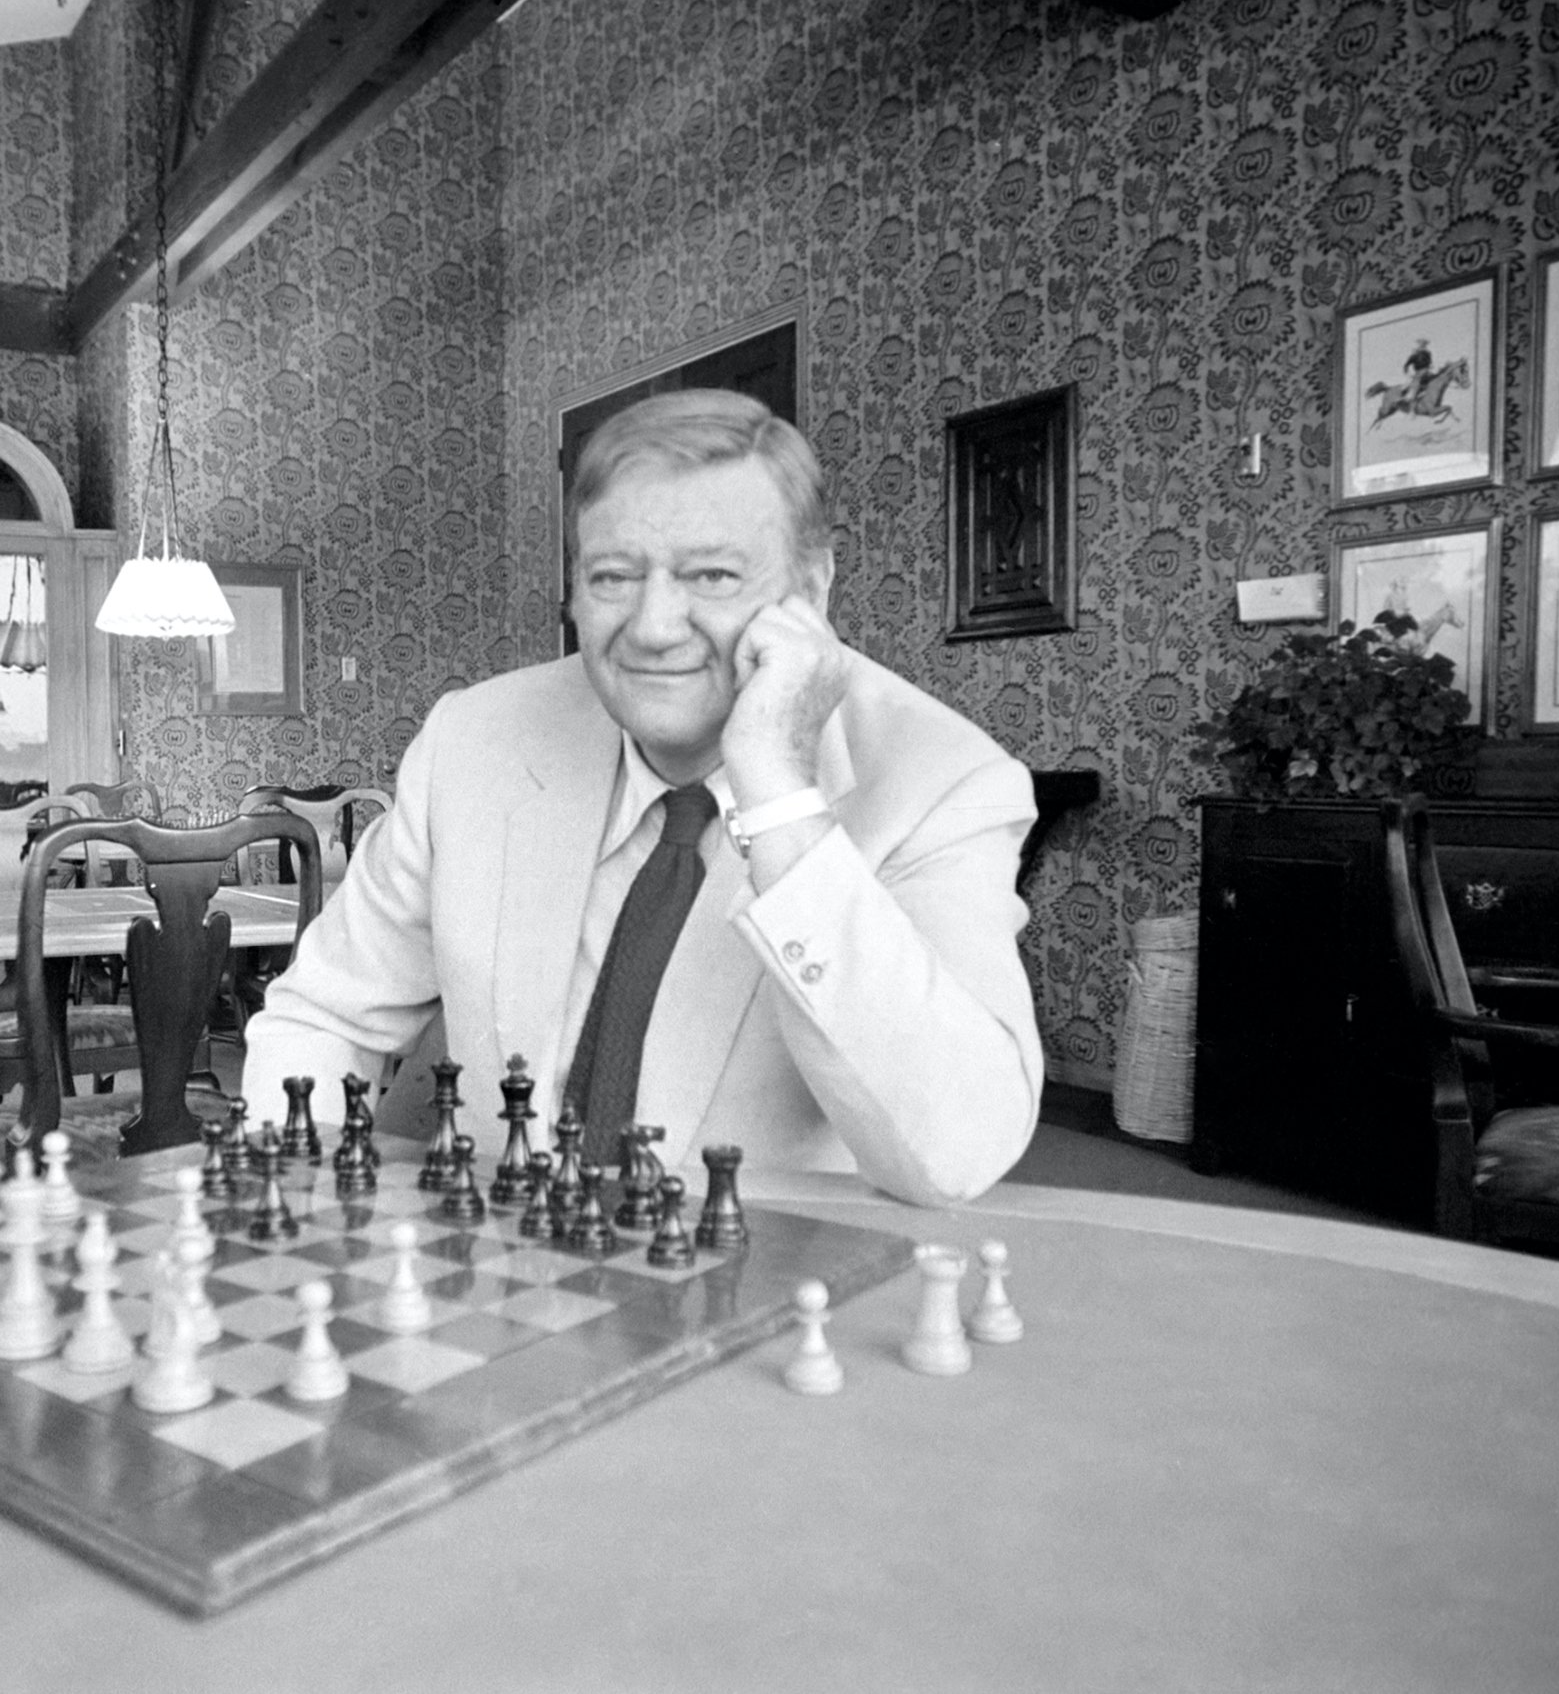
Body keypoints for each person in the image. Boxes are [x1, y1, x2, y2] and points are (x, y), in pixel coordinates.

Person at [239, 391, 1042, 1206]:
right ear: (575, 593)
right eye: (614, 576)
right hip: (494, 1285)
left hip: (765, 1298)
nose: (656, 625)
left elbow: (953, 1153)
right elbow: (325, 1018)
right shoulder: (473, 740)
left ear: (812, 587)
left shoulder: (943, 779)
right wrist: (286, 1222)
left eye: (713, 575)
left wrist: (782, 799)